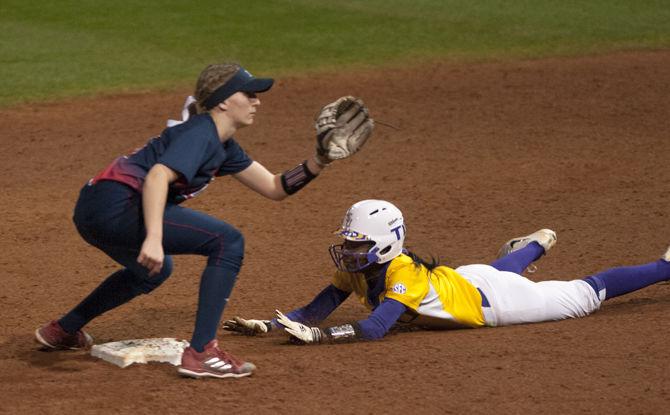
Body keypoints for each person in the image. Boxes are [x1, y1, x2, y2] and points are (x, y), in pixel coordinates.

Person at [34, 63, 373, 379]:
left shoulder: (224, 146)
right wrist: (153, 237)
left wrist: (319, 161)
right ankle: (201, 353)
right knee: (228, 241)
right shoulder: (202, 133)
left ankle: (63, 329)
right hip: (117, 204)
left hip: (95, 208)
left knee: (154, 269)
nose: (257, 102)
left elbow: (274, 187)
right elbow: (156, 177)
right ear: (224, 102)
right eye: (249, 94)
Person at [224, 199, 670, 344]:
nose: (347, 250)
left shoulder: (403, 274)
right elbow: (316, 308)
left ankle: (663, 266)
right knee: (499, 269)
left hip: (495, 302)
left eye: (355, 243)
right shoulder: (362, 270)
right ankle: (531, 247)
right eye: (347, 242)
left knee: (585, 294)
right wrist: (267, 325)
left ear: (382, 243)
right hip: (465, 279)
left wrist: (321, 337)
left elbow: (378, 327)